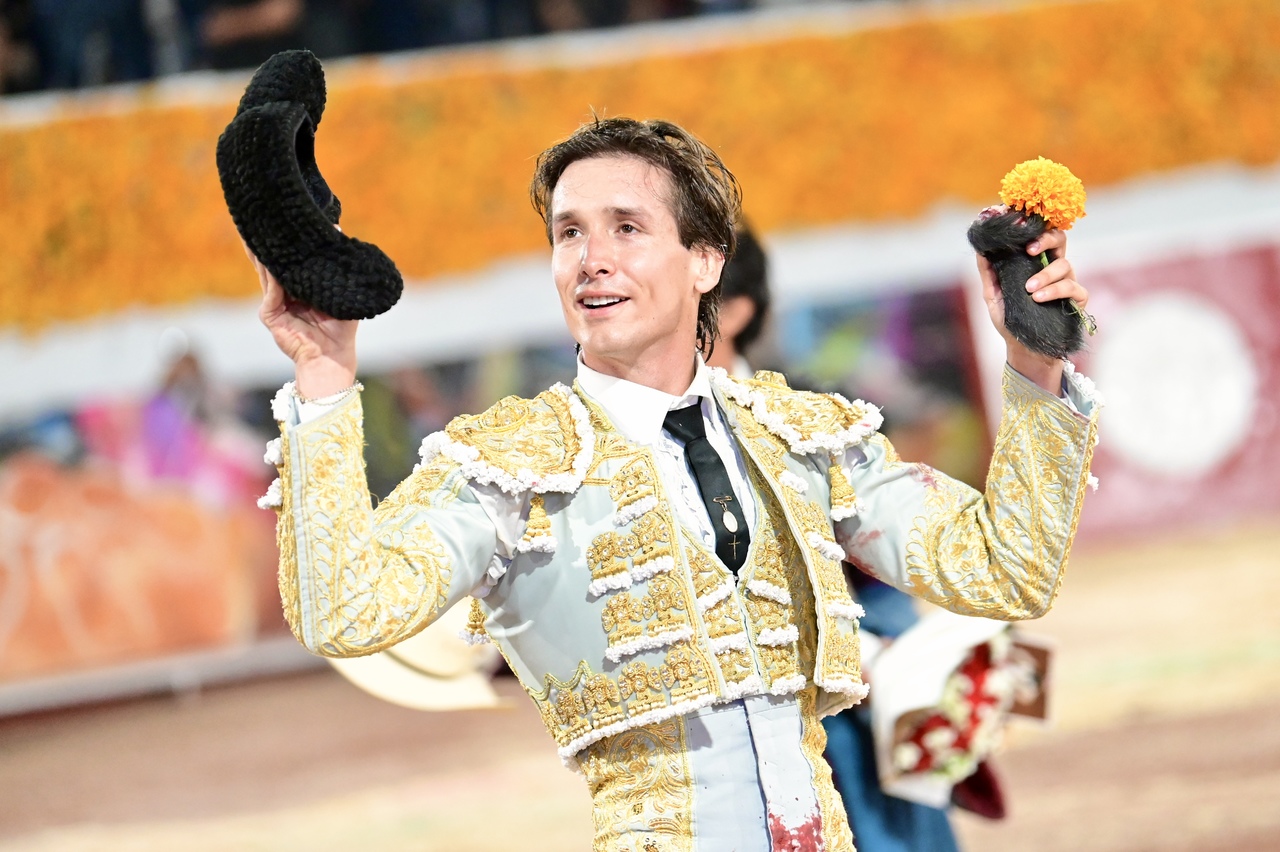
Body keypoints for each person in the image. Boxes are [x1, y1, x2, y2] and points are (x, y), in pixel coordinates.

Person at [246, 116, 1100, 851]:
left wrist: (1034, 368)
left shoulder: (801, 437)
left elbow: (1005, 568)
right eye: (569, 232)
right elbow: (346, 612)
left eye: (626, 227)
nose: (591, 259)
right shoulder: (510, 466)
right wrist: (323, 376)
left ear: (704, 261)